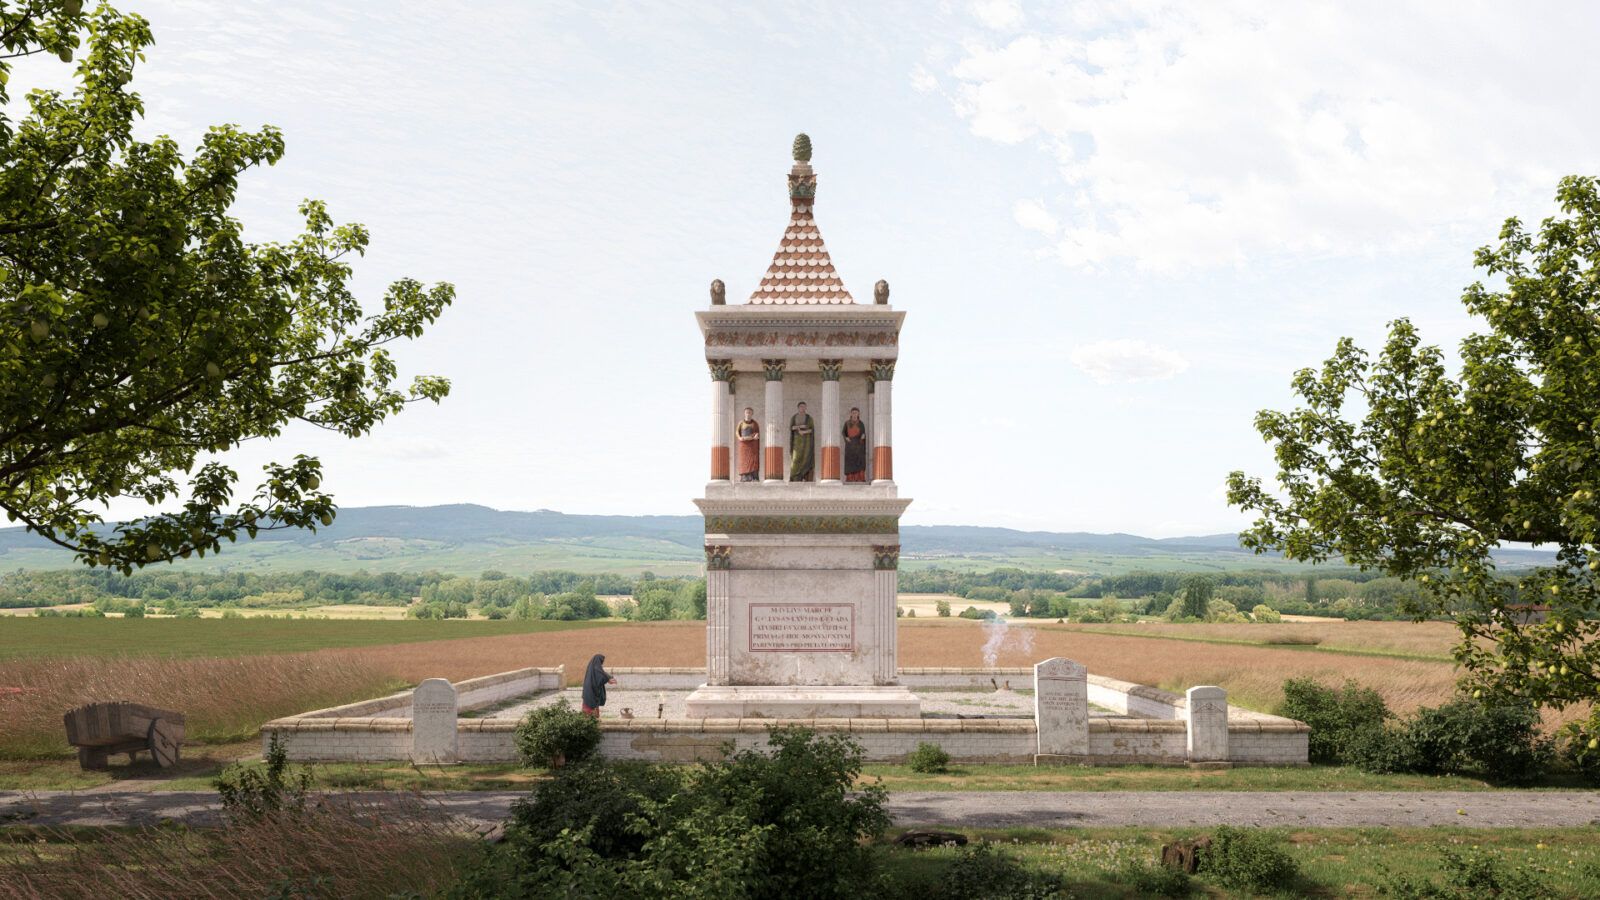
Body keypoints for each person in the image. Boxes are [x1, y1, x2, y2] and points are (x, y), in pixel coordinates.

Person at [581, 653, 616, 719]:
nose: (602, 663)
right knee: (590, 711)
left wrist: (608, 678)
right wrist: (608, 679)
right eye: (601, 661)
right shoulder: (596, 668)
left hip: (589, 692)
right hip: (591, 692)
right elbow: (601, 675)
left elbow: (602, 673)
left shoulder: (592, 667)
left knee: (589, 708)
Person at [789, 401, 815, 482]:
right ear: (798, 408)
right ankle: (795, 477)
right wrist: (799, 427)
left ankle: (805, 477)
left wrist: (804, 432)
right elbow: (791, 428)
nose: (802, 408)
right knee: (795, 459)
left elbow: (811, 429)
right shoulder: (794, 417)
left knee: (806, 458)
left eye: (804, 406)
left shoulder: (809, 418)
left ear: (806, 408)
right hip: (796, 442)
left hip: (806, 442)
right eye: (801, 406)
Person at [842, 407, 867, 483]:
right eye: (853, 413)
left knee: (859, 462)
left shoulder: (861, 423)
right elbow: (843, 432)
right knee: (850, 462)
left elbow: (863, 433)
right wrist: (846, 438)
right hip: (850, 445)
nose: (854, 414)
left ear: (858, 414)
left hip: (859, 445)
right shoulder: (847, 423)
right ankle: (850, 478)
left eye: (856, 413)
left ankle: (859, 478)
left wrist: (863, 437)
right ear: (851, 414)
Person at [736, 407, 761, 481]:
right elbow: (737, 432)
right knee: (743, 460)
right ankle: (744, 476)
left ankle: (753, 476)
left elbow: (757, 432)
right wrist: (739, 437)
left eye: (750, 412)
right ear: (744, 413)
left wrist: (756, 436)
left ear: (752, 414)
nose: (748, 414)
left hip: (753, 444)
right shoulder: (741, 423)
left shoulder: (755, 423)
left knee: (753, 459)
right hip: (744, 445)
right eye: (747, 412)